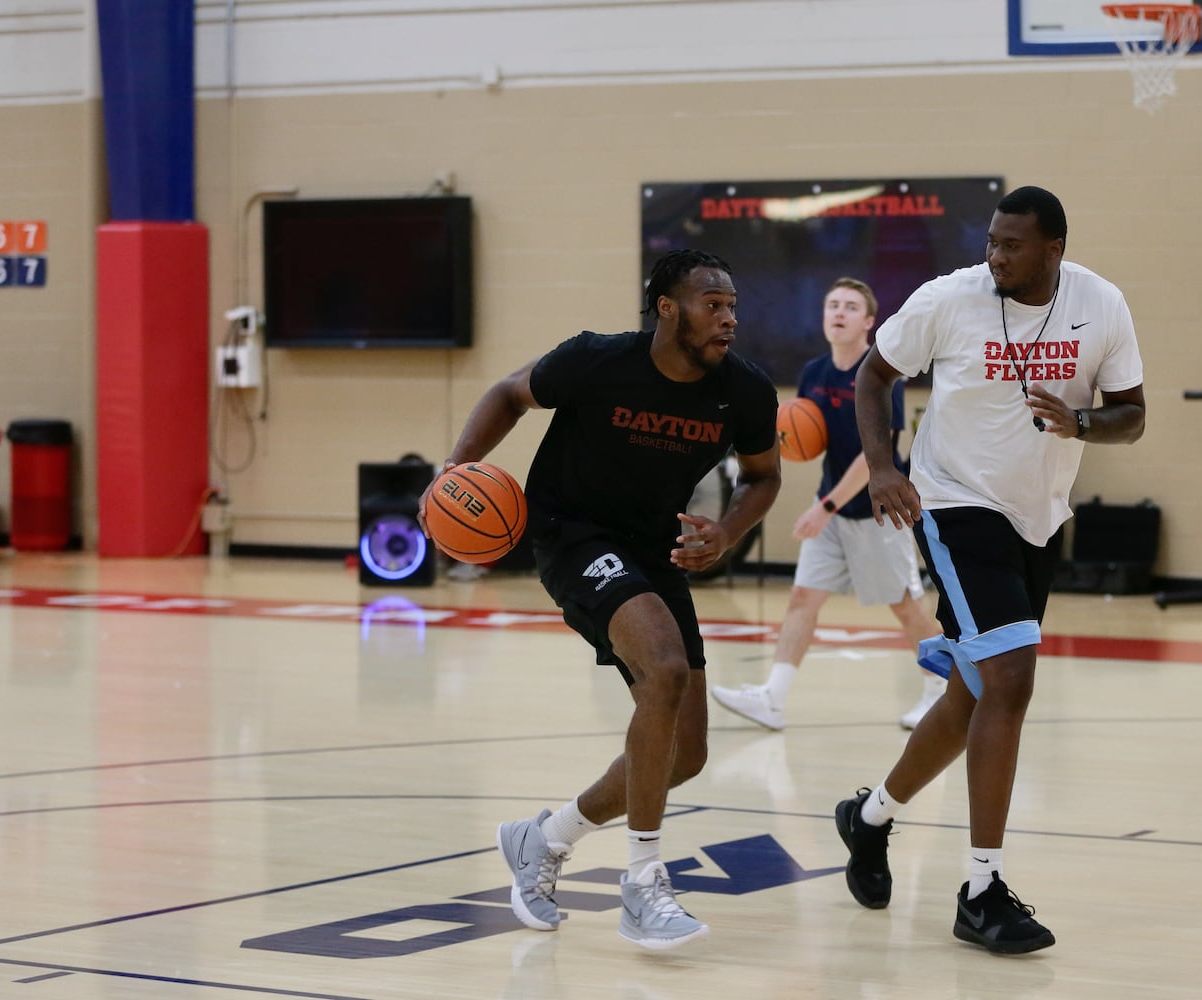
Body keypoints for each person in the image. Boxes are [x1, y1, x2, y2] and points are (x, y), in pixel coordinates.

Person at [425, 249, 781, 950]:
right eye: (714, 305)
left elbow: (763, 477)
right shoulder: (594, 360)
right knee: (665, 672)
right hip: (570, 534)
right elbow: (506, 393)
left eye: (733, 305)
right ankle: (642, 886)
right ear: (668, 309)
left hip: (654, 549)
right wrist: (453, 472)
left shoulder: (742, 390)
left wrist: (728, 533)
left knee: (686, 755)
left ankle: (543, 838)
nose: (730, 319)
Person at [833, 186, 1146, 954]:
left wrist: (1085, 423)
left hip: (1038, 514)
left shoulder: (1100, 304)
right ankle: (980, 889)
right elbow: (874, 377)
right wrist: (881, 466)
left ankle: (868, 817)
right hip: (951, 502)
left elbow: (1132, 413)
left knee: (970, 697)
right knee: (1009, 679)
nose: (994, 255)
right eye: (991, 241)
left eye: (1011, 245)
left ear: (1053, 251)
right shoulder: (949, 300)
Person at [709, 277, 944, 732]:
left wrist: (824, 508)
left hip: (878, 509)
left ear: (869, 322)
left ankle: (939, 692)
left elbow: (871, 459)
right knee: (802, 599)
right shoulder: (815, 372)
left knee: (905, 608)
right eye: (832, 304)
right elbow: (804, 432)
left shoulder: (882, 373)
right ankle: (773, 699)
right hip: (832, 506)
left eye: (851, 306)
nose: (838, 312)